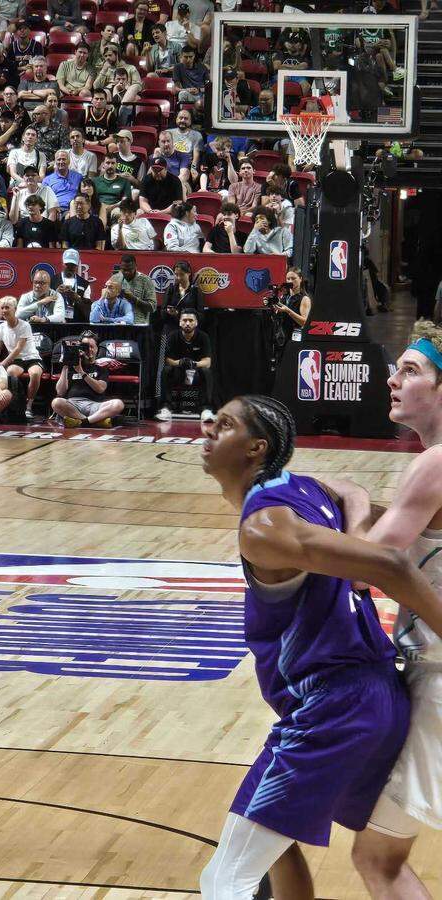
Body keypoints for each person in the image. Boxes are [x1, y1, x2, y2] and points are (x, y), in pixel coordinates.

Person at [196, 395, 442, 900]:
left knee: (226, 878)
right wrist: (353, 527)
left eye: (222, 425)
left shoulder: (263, 528)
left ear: (255, 448)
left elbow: (392, 567)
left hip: (333, 708)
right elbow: (351, 488)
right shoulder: (300, 487)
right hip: (372, 698)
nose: (205, 429)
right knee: (278, 845)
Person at [326, 322, 442, 893]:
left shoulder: (434, 463)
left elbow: (368, 562)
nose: (392, 379)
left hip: (441, 679)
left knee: (378, 859)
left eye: (411, 370)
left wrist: (348, 500)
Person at [51, 331, 123, 427]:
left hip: (94, 405)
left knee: (118, 404)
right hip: (73, 405)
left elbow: (100, 389)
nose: (89, 350)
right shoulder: (71, 367)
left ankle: (81, 422)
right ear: (80, 348)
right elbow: (60, 392)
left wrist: (81, 372)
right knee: (56, 402)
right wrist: (65, 366)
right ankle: (94, 421)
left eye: (92, 346)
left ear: (97, 349)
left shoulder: (100, 368)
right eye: (85, 347)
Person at [155, 310, 212, 422]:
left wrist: (194, 363)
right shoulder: (172, 336)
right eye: (184, 320)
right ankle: (166, 408)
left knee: (207, 372)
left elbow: (207, 362)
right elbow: (168, 360)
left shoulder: (203, 337)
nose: (187, 323)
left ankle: (206, 409)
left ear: (196, 323)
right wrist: (180, 362)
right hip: (178, 372)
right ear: (180, 322)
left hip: (195, 373)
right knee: (166, 370)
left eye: (191, 321)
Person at [0, 297, 44, 420]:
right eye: (2, 307)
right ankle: (14, 405)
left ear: (15, 309)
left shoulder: (25, 325)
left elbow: (18, 349)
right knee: (10, 373)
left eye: (7, 307)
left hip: (32, 357)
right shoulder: (1, 327)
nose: (4, 310)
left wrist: (3, 363)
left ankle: (29, 406)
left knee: (34, 373)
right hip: (16, 360)